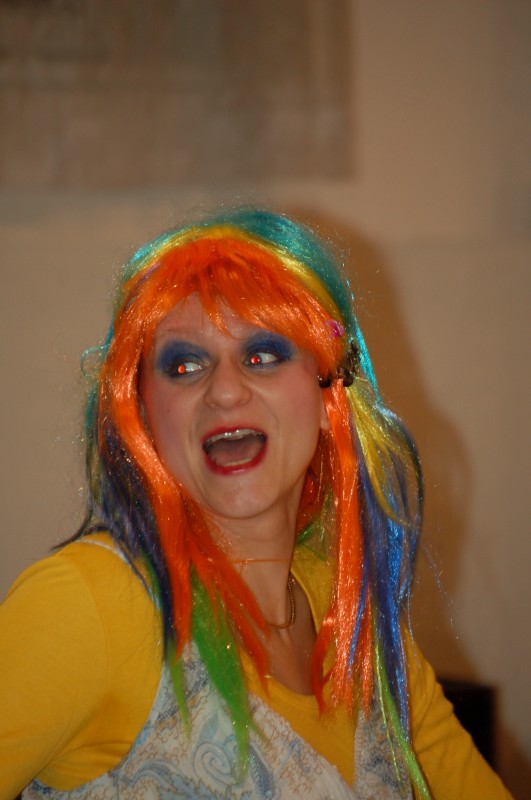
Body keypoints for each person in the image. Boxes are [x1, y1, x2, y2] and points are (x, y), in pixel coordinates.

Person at [0, 209, 511, 799]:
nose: (223, 390)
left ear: (329, 395)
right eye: (184, 365)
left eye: (263, 355)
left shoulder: (356, 622)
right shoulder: (91, 603)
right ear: (144, 418)